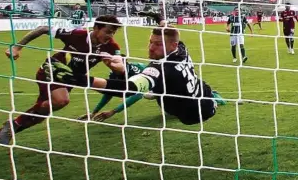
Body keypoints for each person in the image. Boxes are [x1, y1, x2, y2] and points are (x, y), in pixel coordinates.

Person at [0, 15, 122, 158]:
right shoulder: (77, 34)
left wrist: (113, 65)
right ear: (96, 28)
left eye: (114, 32)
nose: (110, 35)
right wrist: (17, 47)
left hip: (70, 79)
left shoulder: (111, 47)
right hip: (52, 70)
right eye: (108, 31)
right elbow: (43, 29)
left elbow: (120, 67)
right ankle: (13, 124)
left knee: (38, 116)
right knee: (61, 101)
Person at [82, 24, 226, 125]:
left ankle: (216, 100)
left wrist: (84, 80)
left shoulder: (160, 69)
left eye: (158, 44)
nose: (151, 48)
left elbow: (128, 88)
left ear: (172, 45)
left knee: (148, 93)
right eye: (150, 42)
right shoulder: (181, 48)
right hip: (199, 90)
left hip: (194, 113)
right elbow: (171, 31)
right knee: (155, 92)